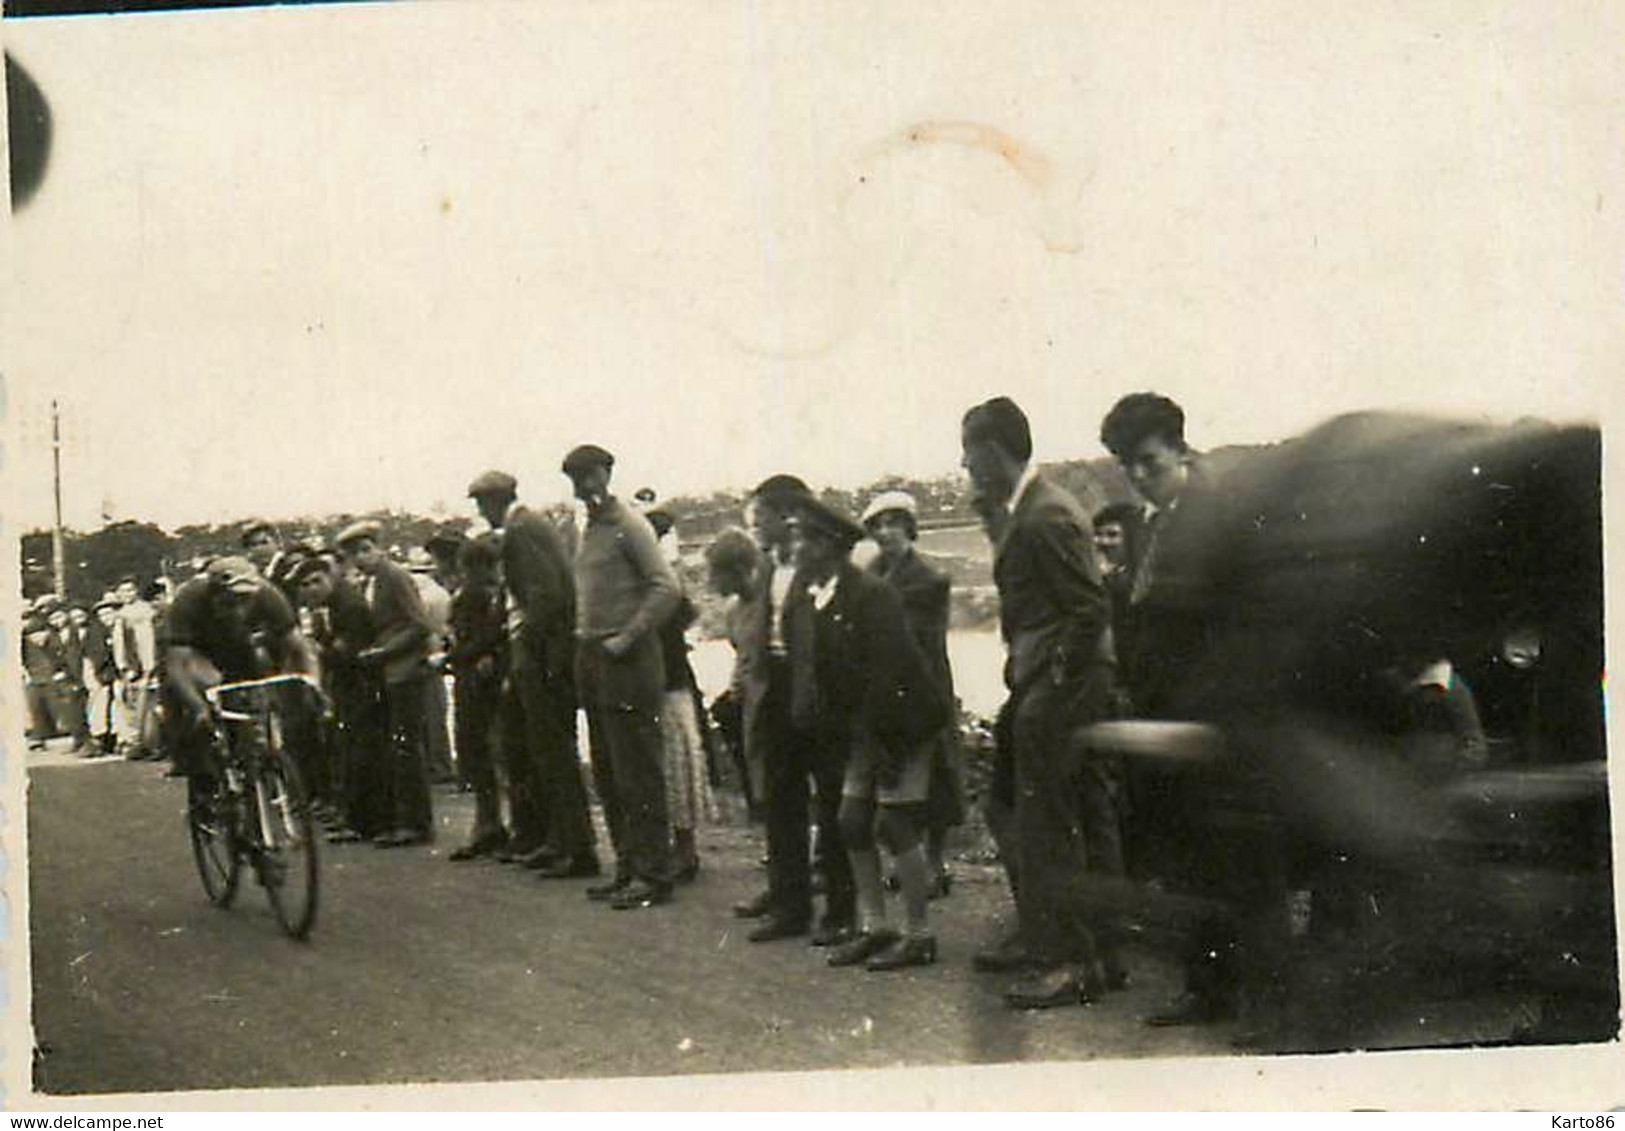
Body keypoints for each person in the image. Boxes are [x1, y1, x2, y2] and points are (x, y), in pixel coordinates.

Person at [962, 395, 1126, 1010]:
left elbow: (1089, 608)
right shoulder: (1025, 510)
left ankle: (1071, 960)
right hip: (1047, 681)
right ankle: (1076, 946)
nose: (965, 463)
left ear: (994, 450)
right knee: (1041, 805)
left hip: (1061, 686)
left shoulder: (1046, 514)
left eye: (970, 452)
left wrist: (1054, 680)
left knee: (1050, 819)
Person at [1099, 390, 1236, 1027]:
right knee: (1188, 859)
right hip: (1165, 716)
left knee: (1226, 864)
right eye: (1128, 464)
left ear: (1181, 449)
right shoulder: (1151, 523)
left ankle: (1238, 993)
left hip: (1208, 716)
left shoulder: (1214, 515)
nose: (1139, 474)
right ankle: (1207, 990)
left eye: (1149, 460)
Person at [790, 496, 949, 971]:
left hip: (903, 723)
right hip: (865, 725)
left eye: (806, 540)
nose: (798, 548)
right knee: (851, 822)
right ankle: (876, 926)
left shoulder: (872, 595)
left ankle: (920, 934)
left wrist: (882, 748)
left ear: (829, 546)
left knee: (894, 822)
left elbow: (889, 674)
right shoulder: (823, 592)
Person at [563, 444, 679, 910]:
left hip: (627, 661)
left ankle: (654, 873)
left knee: (639, 772)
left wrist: (628, 636)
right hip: (593, 658)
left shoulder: (630, 525)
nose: (583, 485)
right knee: (609, 771)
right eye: (574, 478)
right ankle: (628, 866)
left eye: (589, 476)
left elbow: (667, 588)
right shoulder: (586, 529)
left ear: (607, 474)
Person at [467, 470, 595, 875]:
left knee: (553, 752)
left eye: (481, 503)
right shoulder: (529, 526)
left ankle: (574, 848)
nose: (481, 512)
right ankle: (560, 841)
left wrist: (528, 652)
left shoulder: (522, 529)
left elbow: (546, 598)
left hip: (544, 658)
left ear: (493, 500)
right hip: (542, 654)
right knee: (544, 751)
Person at [861, 490, 963, 899]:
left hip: (924, 682)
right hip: (888, 682)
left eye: (895, 524)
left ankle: (936, 864)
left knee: (936, 774)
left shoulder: (928, 579)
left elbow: (916, 637)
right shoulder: (873, 571)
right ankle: (910, 861)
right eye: (879, 526)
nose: (886, 532)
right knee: (895, 776)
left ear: (910, 528)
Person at [159, 556, 321, 793]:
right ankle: (206, 779)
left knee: (256, 693)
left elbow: (300, 648)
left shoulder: (268, 595)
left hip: (238, 647)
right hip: (197, 649)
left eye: (245, 601)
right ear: (213, 595)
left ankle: (258, 764)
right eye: (230, 602)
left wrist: (312, 684)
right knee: (207, 693)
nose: (239, 609)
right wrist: (198, 707)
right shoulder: (189, 599)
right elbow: (176, 665)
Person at [336, 521, 436, 848]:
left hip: (405, 671)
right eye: (354, 554)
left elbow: (419, 624)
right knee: (399, 747)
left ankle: (416, 823)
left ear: (379, 547)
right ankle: (403, 820)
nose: (361, 559)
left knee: (407, 747)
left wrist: (384, 651)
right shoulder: (374, 581)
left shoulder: (393, 576)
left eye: (365, 550)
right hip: (392, 673)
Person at [293, 555, 389, 843]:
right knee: (348, 752)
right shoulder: (335, 605)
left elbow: (348, 652)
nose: (312, 589)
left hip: (360, 685)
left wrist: (322, 649)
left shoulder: (349, 606)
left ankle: (364, 821)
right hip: (350, 685)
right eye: (306, 584)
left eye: (317, 581)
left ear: (330, 578)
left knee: (360, 753)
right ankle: (357, 817)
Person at [445, 535, 510, 860]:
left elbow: (476, 639)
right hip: (481, 678)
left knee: (480, 752)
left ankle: (488, 824)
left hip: (474, 681)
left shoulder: (471, 596)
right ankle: (491, 823)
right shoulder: (492, 595)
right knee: (487, 753)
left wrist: (453, 656)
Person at [705, 526, 767, 819]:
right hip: (747, 696)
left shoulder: (768, 603)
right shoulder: (733, 610)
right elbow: (740, 655)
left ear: (739, 569)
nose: (711, 582)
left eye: (717, 573)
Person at [408, 546, 457, 786]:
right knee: (436, 713)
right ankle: (441, 763)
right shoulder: (440, 594)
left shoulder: (417, 594)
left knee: (428, 715)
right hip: (436, 654)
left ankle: (437, 765)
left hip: (421, 656)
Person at [112, 577, 158, 760]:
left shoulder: (146, 612)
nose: (127, 595)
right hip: (130, 666)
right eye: (123, 591)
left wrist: (147, 665)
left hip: (145, 663)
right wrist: (123, 665)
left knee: (148, 706)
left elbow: (147, 642)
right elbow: (120, 645)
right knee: (131, 705)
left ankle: (150, 743)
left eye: (130, 590)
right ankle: (137, 742)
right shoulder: (121, 615)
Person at [85, 600, 121, 756]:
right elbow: (95, 655)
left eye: (109, 613)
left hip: (119, 673)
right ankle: (101, 738)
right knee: (101, 705)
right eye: (102, 615)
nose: (106, 617)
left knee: (118, 706)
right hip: (103, 674)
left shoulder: (120, 628)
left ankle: (118, 737)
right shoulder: (95, 633)